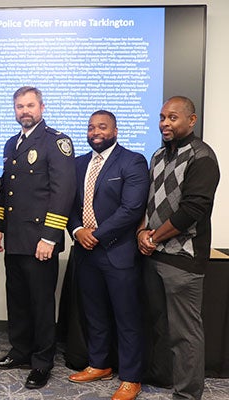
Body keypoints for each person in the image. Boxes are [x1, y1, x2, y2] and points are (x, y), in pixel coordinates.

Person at [0, 86, 76, 389]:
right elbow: (7, 191)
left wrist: (50, 237)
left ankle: (41, 361)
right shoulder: (12, 143)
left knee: (40, 303)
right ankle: (20, 350)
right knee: (18, 299)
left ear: (41, 107)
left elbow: (63, 192)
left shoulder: (57, 142)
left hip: (40, 240)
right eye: (19, 106)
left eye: (29, 105)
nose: (24, 111)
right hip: (15, 238)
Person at [138, 96, 220, 400]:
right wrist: (141, 233)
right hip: (155, 255)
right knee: (161, 329)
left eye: (173, 118)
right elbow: (147, 204)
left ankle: (187, 395)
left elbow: (191, 211)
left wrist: (153, 237)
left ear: (191, 120)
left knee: (185, 334)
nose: (165, 124)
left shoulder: (202, 157)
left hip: (183, 260)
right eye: (162, 118)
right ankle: (163, 379)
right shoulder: (158, 156)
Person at [67, 110, 149, 400]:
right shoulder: (77, 164)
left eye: (102, 127)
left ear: (115, 130)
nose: (95, 132)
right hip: (85, 252)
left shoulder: (132, 161)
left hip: (118, 253)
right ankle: (99, 364)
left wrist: (95, 234)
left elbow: (132, 209)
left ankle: (131, 377)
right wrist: (78, 231)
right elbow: (68, 205)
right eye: (91, 127)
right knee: (94, 313)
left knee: (126, 317)